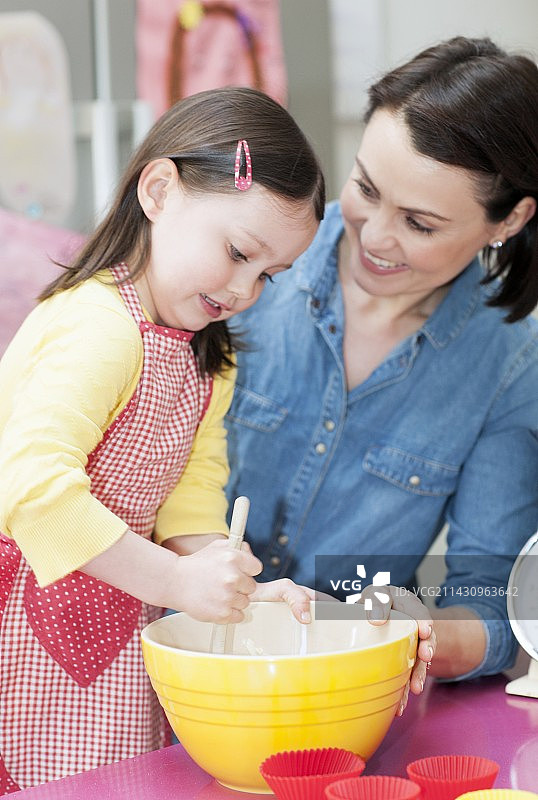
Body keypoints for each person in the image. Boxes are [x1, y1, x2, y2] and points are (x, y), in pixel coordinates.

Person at [0, 86, 325, 793]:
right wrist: (177, 582)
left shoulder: (206, 358)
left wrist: (235, 582)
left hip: (116, 626)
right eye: (238, 251)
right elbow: (33, 493)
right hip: (19, 623)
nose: (245, 290)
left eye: (268, 274)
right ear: (158, 190)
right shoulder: (97, 328)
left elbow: (186, 498)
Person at [225, 36, 538, 696]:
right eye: (365, 186)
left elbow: (494, 606)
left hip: (339, 698)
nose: (373, 236)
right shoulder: (244, 259)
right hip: (160, 662)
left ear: (507, 220)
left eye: (419, 223)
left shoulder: (510, 363)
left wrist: (421, 632)